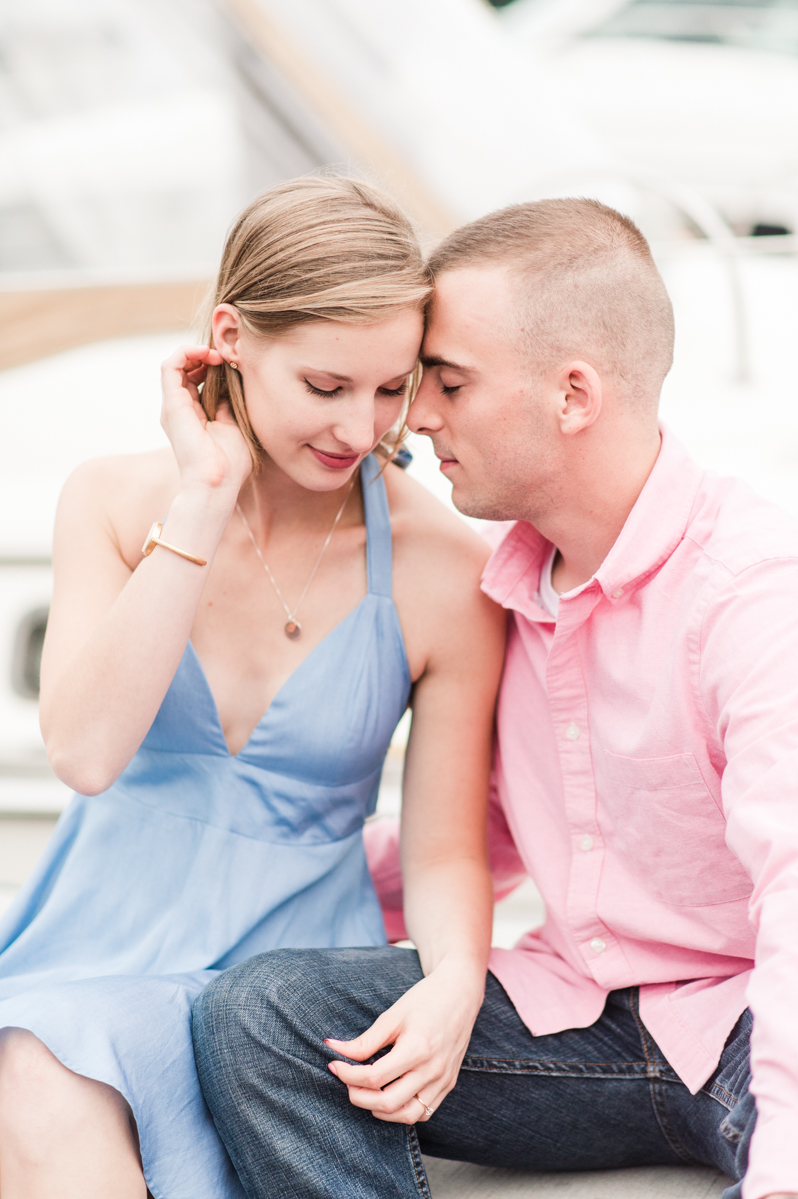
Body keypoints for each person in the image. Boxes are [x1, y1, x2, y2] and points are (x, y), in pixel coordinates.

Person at [192, 197, 798, 1199]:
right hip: (574, 1013)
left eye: (447, 381)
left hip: (744, 1015)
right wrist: (241, 896)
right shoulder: (503, 588)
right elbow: (470, 834)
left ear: (570, 394)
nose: (411, 416)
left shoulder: (751, 592)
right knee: (262, 1013)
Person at [0, 177, 505, 1199]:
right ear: (230, 334)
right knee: (42, 1083)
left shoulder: (441, 566)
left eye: (388, 390)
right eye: (325, 386)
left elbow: (443, 840)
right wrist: (200, 500)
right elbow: (86, 752)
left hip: (288, 976)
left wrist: (453, 980)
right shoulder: (111, 498)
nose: (360, 427)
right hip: (95, 945)